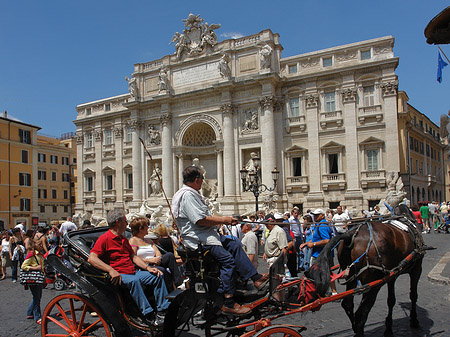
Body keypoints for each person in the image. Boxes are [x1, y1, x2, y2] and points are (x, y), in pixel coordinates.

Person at [171, 166, 269, 315]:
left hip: (208, 236)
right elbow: (200, 220)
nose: (203, 182)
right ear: (197, 179)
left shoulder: (191, 194)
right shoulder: (187, 195)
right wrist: (224, 220)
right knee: (227, 261)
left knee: (234, 243)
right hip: (200, 240)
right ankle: (228, 301)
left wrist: (225, 221)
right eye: (202, 179)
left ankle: (256, 279)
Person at [88, 210, 170, 326]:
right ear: (118, 222)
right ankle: (147, 314)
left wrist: (148, 268)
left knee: (157, 275)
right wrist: (111, 270)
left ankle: (162, 310)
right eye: (125, 221)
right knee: (134, 281)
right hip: (120, 274)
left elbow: (133, 257)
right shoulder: (104, 239)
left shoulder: (123, 239)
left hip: (132, 271)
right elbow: (92, 258)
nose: (127, 224)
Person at [129, 218, 183, 291]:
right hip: (144, 265)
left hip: (156, 262)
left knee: (170, 255)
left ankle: (179, 283)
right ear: (140, 229)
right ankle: (170, 290)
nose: (148, 228)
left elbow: (157, 252)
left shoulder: (148, 240)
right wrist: (150, 260)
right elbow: (134, 258)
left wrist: (157, 258)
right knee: (162, 270)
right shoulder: (133, 241)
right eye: (146, 226)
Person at [300, 208, 336, 294]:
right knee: (323, 273)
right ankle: (324, 290)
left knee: (322, 273)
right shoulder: (318, 224)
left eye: (317, 215)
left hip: (321, 255)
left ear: (322, 215)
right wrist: (306, 244)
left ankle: (329, 291)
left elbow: (326, 240)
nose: (315, 217)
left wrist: (314, 244)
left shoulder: (322, 225)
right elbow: (315, 239)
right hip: (319, 254)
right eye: (314, 215)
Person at [22, 239, 45, 324]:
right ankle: (37, 317)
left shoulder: (40, 255)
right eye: (39, 244)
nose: (41, 246)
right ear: (35, 245)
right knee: (37, 297)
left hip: (39, 278)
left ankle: (29, 312)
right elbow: (23, 266)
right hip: (33, 278)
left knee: (37, 297)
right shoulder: (32, 254)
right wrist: (35, 268)